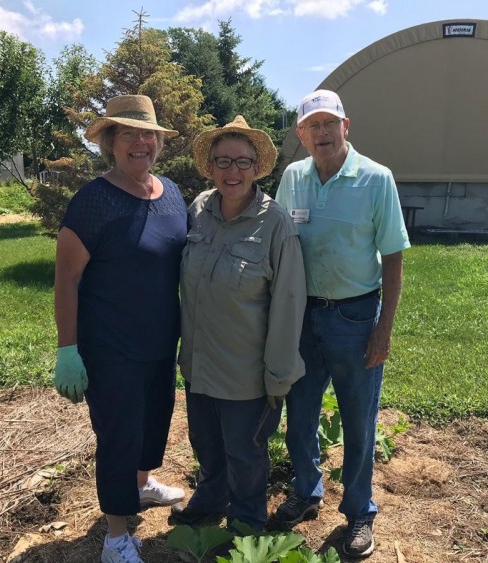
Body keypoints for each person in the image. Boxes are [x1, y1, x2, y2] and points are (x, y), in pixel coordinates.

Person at [272, 89, 410, 558]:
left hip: (355, 315)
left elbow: (392, 258)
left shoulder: (375, 179)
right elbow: (277, 243)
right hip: (301, 316)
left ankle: (358, 513)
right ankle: (307, 493)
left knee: (358, 420)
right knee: (300, 414)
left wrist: (383, 329)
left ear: (346, 127)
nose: (323, 132)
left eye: (331, 123)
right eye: (314, 126)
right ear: (302, 135)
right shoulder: (292, 178)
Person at [53, 95, 187, 563]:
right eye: (128, 133)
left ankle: (142, 484)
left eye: (148, 134)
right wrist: (66, 349)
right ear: (110, 141)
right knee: (118, 434)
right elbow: (67, 278)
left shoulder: (170, 192)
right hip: (110, 347)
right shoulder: (93, 202)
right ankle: (115, 535)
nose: (141, 142)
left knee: (155, 421)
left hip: (159, 341)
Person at [171, 116, 306, 534]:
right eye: (223, 161)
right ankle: (211, 499)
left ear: (257, 168)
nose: (233, 172)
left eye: (243, 162)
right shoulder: (199, 211)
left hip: (245, 374)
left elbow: (288, 303)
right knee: (207, 446)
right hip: (199, 364)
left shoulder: (275, 224)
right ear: (209, 167)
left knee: (246, 455)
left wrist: (278, 374)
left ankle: (246, 524)